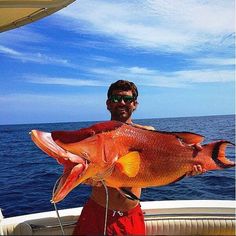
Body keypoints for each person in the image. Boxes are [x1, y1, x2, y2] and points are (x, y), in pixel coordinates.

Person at [73, 80, 205, 235]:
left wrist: (190, 163)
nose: (121, 102)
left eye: (127, 99)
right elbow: (77, 169)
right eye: (116, 99)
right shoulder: (96, 137)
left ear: (135, 104)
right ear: (108, 104)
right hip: (96, 213)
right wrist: (84, 179)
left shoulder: (149, 134)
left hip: (130, 216)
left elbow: (166, 163)